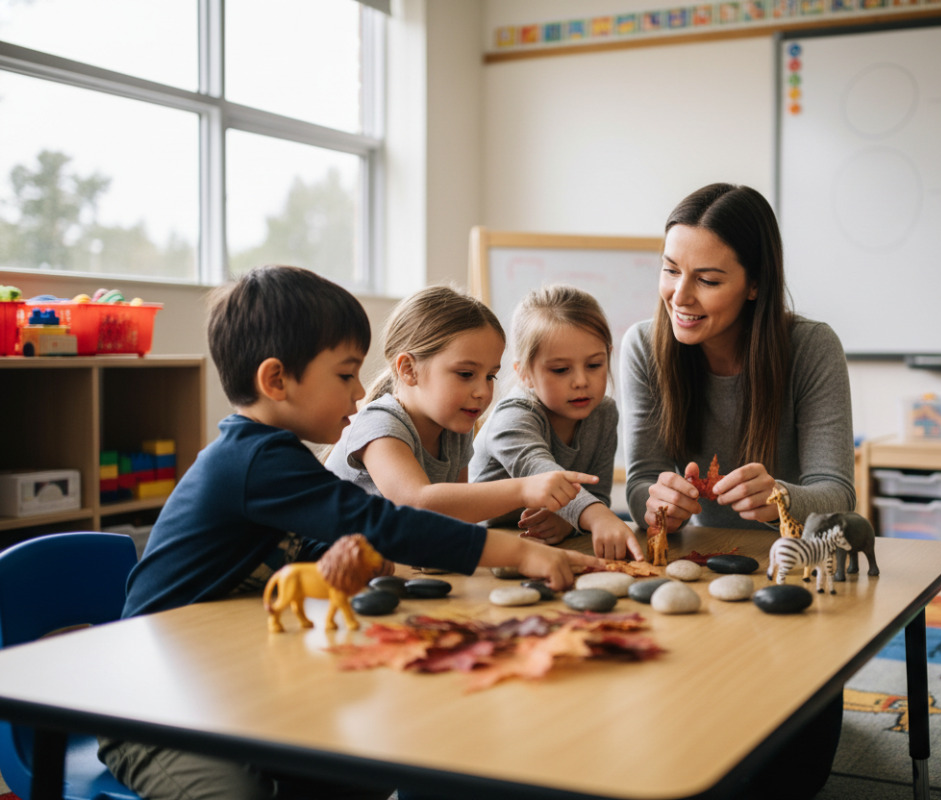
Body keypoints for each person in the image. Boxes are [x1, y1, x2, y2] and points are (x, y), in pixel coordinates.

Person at [103, 265, 602, 800]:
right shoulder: (251, 460)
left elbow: (304, 545)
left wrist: (359, 560)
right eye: (344, 376)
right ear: (276, 381)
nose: (361, 390)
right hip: (153, 707)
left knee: (355, 768)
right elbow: (382, 519)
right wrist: (513, 551)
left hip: (231, 685)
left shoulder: (278, 458)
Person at [619, 183, 856, 798]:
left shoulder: (811, 347)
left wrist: (782, 495)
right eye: (671, 270)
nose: (681, 296)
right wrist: (659, 503)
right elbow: (641, 480)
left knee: (785, 768)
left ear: (755, 283)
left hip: (791, 573)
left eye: (708, 279)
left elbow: (837, 494)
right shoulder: (643, 346)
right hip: (699, 569)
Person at [325, 285, 598, 525]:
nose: (482, 391)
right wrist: (524, 489)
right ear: (408, 369)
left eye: (490, 376)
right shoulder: (380, 425)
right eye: (466, 374)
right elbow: (417, 502)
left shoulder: (456, 428)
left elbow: (457, 513)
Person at [470, 285, 642, 560]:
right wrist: (595, 517)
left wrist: (568, 522)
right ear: (525, 373)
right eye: (561, 370)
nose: (581, 381)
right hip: (478, 547)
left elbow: (597, 493)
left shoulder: (604, 412)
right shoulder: (513, 415)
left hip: (538, 549)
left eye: (595, 365)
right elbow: (540, 472)